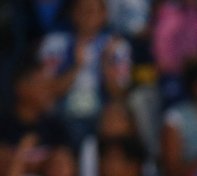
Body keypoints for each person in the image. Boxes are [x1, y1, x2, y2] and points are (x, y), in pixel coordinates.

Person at [38, 0, 132, 143]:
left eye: (93, 11)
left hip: (101, 113)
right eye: (82, 10)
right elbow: (47, 91)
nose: (88, 16)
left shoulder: (116, 45)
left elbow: (118, 94)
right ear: (73, 14)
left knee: (116, 120)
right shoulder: (54, 43)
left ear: (104, 15)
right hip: (63, 113)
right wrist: (76, 67)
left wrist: (106, 64)